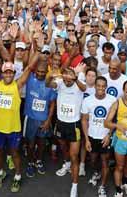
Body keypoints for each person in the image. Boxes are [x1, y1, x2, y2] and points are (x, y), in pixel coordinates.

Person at [0, 34, 40, 193]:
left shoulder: (17, 86)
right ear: (2, 74)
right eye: (6, 73)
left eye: (11, 72)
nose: (9, 75)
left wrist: (37, 49)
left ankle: (17, 176)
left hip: (13, 128)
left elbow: (30, 67)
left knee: (14, 153)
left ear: (13, 73)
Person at [49, 63, 87, 197]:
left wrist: (75, 77)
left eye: (70, 78)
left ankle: (74, 186)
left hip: (74, 125)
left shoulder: (79, 81)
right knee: (63, 147)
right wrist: (51, 76)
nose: (67, 80)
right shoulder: (60, 82)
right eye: (66, 78)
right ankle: (66, 164)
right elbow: (49, 84)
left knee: (74, 155)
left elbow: (84, 88)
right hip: (60, 123)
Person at [81, 76, 116, 197]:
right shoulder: (87, 101)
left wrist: (109, 135)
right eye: (98, 86)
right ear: (95, 86)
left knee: (105, 161)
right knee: (93, 160)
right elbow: (84, 120)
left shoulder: (112, 100)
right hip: (91, 136)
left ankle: (102, 186)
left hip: (105, 137)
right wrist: (86, 139)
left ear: (106, 87)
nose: (101, 88)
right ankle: (96, 173)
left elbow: (114, 120)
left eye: (103, 86)